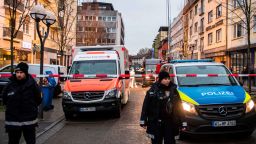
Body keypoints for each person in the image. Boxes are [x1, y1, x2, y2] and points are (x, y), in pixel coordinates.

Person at [2, 62, 42, 144]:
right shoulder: (10, 85)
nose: (19, 75)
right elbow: (4, 99)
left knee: (30, 142)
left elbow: (38, 99)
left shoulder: (32, 85)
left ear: (26, 73)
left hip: (29, 121)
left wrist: (31, 108)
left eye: (21, 72)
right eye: (17, 72)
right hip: (13, 122)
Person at [140, 71, 182, 144]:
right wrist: (143, 120)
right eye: (165, 79)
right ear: (160, 79)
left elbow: (179, 107)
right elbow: (146, 106)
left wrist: (183, 122)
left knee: (170, 142)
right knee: (156, 142)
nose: (167, 80)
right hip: (156, 123)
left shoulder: (173, 90)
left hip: (170, 123)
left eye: (168, 78)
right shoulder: (153, 90)